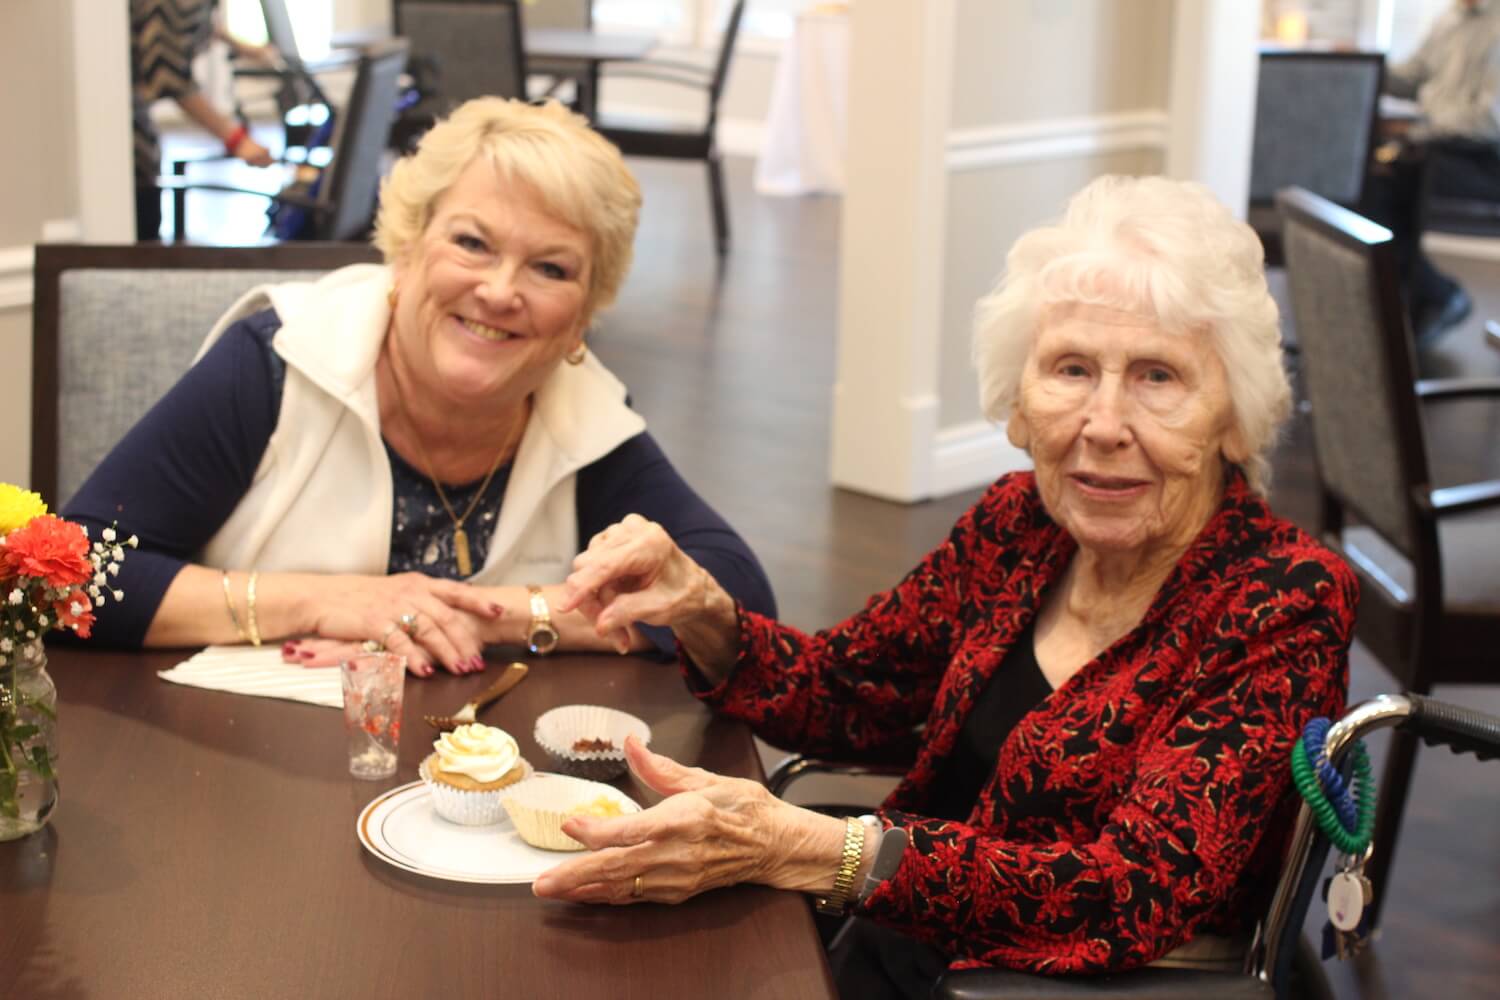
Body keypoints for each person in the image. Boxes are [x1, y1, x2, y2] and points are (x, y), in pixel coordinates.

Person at [531, 175, 1357, 996]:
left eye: (1158, 378)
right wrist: (703, 611)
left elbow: (1129, 893)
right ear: (1020, 403)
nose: (1103, 426)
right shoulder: (1019, 525)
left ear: (1235, 415)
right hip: (906, 941)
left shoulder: (1282, 602)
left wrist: (815, 851)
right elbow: (850, 691)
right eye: (1071, 370)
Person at [65, 97, 775, 676]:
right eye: (472, 243)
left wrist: (495, 614)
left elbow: (734, 603)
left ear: (581, 320)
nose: (499, 291)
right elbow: (72, 572)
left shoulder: (586, 419)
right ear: (406, 249)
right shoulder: (275, 360)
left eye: (551, 269)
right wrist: (325, 601)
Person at [1363, 0, 1500, 341]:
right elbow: (1409, 77)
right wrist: (1368, 65)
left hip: (1482, 158)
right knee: (1374, 183)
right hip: (1438, 146)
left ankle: (1433, 297)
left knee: (1407, 174)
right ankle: (1419, 298)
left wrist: (1422, 125)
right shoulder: (1450, 20)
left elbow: (1489, 120)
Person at [130, 0, 277, 241]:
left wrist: (245, 48)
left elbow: (185, 25)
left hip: (132, 107)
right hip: (119, 112)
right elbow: (167, 75)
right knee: (142, 206)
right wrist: (236, 139)